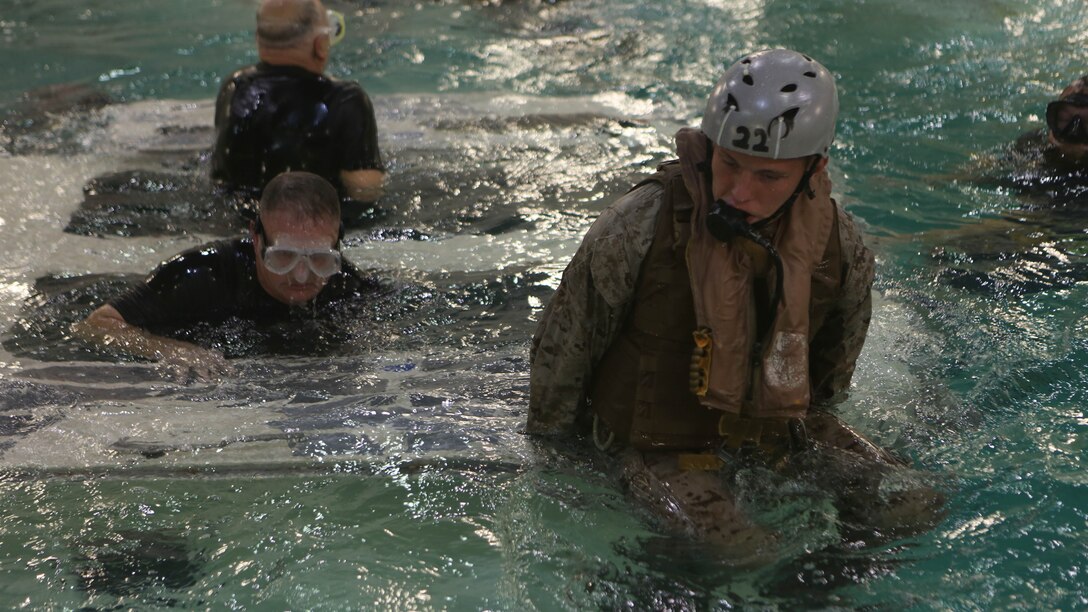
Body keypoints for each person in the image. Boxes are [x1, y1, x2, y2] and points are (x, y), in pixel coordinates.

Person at [528, 49, 941, 556]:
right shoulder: (637, 226)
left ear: (813, 171)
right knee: (740, 550)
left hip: (772, 431)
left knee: (913, 502)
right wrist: (557, 469)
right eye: (729, 164)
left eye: (769, 177)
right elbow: (561, 357)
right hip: (657, 442)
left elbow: (832, 377)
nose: (739, 193)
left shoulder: (839, 246)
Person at [76, 171, 380, 381]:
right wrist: (173, 349)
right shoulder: (202, 274)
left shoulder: (346, 283)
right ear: (256, 237)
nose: (302, 275)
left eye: (318, 258)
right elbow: (95, 326)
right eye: (284, 257)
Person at [211, 0, 386, 216]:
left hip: (237, 218)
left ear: (259, 39)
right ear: (320, 45)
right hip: (307, 224)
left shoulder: (234, 87)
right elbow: (365, 191)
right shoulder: (344, 100)